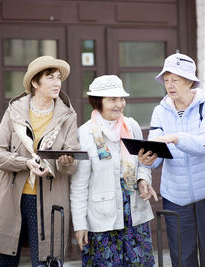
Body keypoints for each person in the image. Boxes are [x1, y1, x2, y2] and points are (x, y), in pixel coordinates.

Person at [0, 56, 80, 266]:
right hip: (12, 199)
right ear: (35, 83)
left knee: (47, 261)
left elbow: (73, 160)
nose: (57, 83)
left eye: (59, 78)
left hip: (51, 200)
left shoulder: (68, 116)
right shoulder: (13, 112)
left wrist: (62, 162)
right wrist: (24, 163)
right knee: (5, 261)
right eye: (50, 78)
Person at [138, 53, 205, 267]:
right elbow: (157, 151)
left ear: (190, 81)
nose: (169, 85)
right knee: (181, 259)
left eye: (175, 80)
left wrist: (176, 138)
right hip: (176, 197)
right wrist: (148, 160)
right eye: (166, 80)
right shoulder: (160, 111)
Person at [71, 75, 158, 266]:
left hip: (135, 212)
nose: (119, 104)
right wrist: (80, 225)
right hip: (102, 218)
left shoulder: (132, 126)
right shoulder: (85, 134)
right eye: (112, 99)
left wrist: (143, 179)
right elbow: (79, 185)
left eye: (121, 99)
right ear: (98, 102)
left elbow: (142, 163)